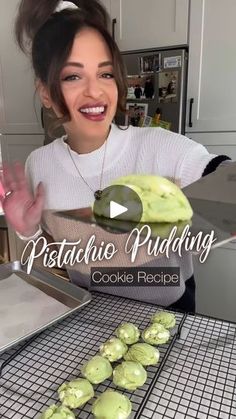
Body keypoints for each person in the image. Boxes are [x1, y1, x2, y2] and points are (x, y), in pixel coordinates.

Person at [0, 0, 231, 312]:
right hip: (92, 318)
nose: (95, 92)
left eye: (105, 74)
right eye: (73, 76)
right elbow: (58, 261)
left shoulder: (160, 148)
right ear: (46, 93)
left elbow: (223, 178)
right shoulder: (39, 165)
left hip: (169, 315)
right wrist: (28, 231)